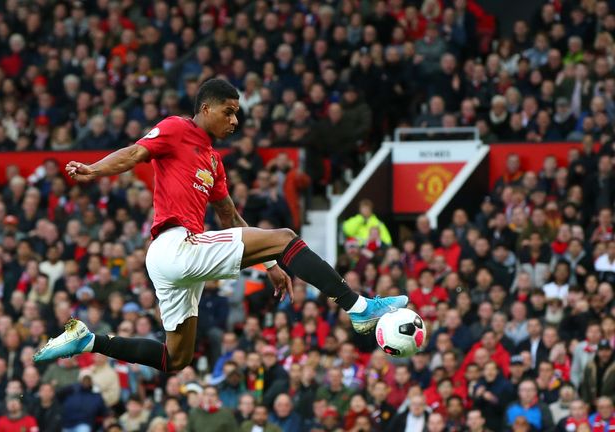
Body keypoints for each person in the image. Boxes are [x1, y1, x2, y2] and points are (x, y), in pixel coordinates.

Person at [33, 79, 407, 371]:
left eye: (237, 113)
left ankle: (88, 341)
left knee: (175, 359)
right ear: (206, 108)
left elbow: (229, 217)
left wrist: (272, 264)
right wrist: (93, 169)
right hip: (175, 245)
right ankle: (358, 307)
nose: (234, 120)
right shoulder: (176, 129)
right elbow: (134, 153)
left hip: (179, 266)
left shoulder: (213, 162)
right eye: (228, 112)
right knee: (286, 236)